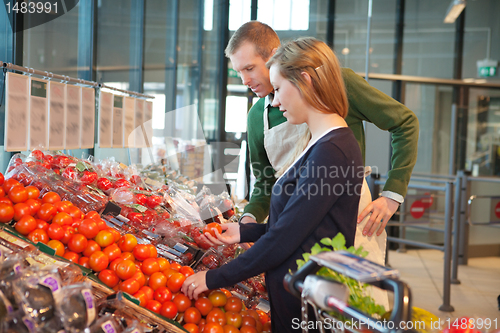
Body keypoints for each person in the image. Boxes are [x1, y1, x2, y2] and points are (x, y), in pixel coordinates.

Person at [182, 37, 364, 332]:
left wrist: (215, 278)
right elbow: (300, 225)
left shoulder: (332, 151)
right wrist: (244, 231)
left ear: (305, 81)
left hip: (307, 304)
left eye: (278, 89)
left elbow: (285, 238)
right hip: (297, 292)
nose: (275, 101)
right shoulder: (319, 143)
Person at [228, 21, 419, 240]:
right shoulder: (255, 117)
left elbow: (405, 123)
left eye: (249, 68)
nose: (244, 80)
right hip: (293, 227)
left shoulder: (338, 83)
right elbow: (265, 182)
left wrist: (392, 195)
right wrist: (249, 220)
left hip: (350, 223)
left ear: (273, 55)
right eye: (238, 72)